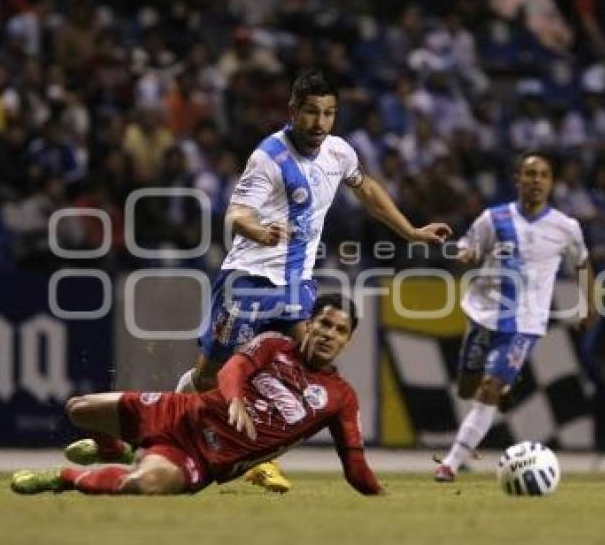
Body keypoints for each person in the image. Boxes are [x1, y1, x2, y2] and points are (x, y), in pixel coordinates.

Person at [174, 69, 451, 491]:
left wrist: (410, 231)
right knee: (210, 376)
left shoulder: (338, 152)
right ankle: (165, 423)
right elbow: (236, 213)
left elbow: (368, 189)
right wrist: (260, 232)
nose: (320, 123)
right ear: (293, 111)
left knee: (303, 371)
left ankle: (254, 456)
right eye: (311, 113)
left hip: (296, 284)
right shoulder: (268, 157)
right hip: (247, 280)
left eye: (328, 113)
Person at [11, 294, 383, 497]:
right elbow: (233, 368)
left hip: (202, 459)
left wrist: (379, 494)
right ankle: (115, 450)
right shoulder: (274, 344)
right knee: (78, 409)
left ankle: (63, 477)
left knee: (144, 485)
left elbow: (355, 466)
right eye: (323, 324)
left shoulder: (341, 398)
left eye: (339, 330)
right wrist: (235, 397)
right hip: (179, 412)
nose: (329, 334)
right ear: (308, 325)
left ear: (348, 340)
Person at [434, 152, 596, 482]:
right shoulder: (494, 218)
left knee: (489, 388)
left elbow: (582, 264)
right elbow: (469, 244)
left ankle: (450, 463)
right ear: (517, 180)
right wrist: (466, 252)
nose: (536, 180)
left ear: (551, 183)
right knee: (467, 388)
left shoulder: (566, 227)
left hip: (526, 322)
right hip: (484, 314)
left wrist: (589, 305)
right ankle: (505, 390)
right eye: (530, 174)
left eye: (543, 175)